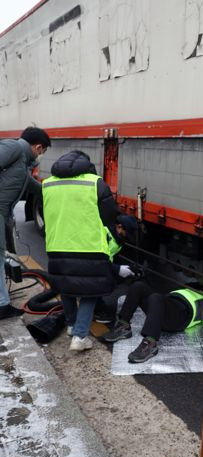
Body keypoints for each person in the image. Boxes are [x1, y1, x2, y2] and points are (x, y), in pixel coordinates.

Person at [42, 149, 128, 351]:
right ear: (86, 165)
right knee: (90, 291)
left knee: (66, 287)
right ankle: (80, 336)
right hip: (88, 246)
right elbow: (108, 217)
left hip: (57, 244)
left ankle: (72, 326)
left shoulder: (48, 183)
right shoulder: (94, 182)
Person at [0, 127, 51, 320]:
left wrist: (55, 192)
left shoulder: (22, 163)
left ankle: (2, 303)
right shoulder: (13, 148)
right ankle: (2, 305)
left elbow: (31, 185)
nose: (41, 155)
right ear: (38, 147)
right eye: (42, 151)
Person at [101, 281, 203, 363]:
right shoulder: (188, 289)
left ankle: (150, 343)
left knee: (156, 297)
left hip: (180, 318)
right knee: (139, 286)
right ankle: (123, 325)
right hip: (166, 307)